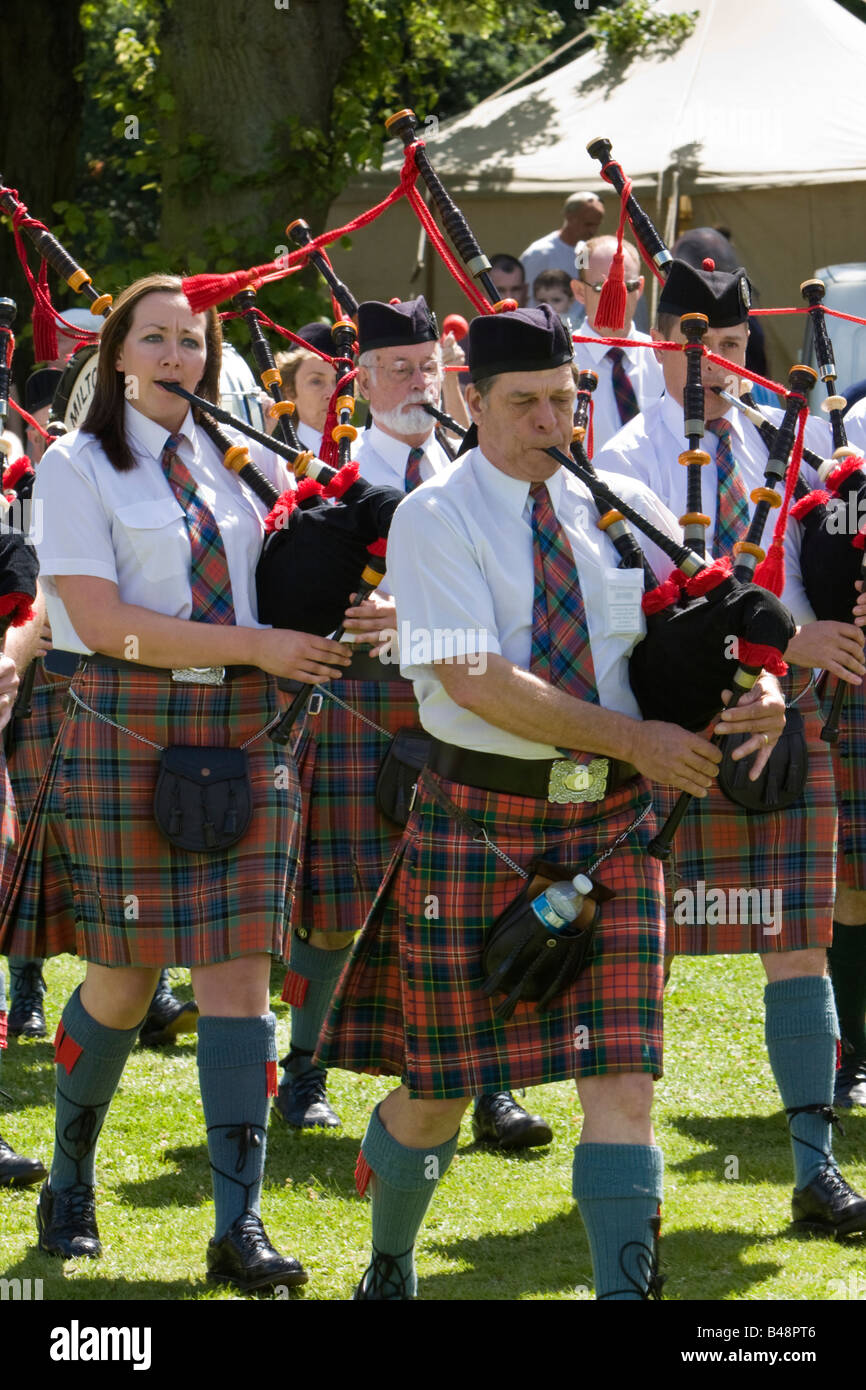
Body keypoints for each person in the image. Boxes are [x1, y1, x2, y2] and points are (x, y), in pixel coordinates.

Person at [316, 303, 785, 1300]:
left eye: (561, 402)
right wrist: (638, 741)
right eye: (521, 403)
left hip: (611, 822)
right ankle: (389, 1267)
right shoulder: (431, 517)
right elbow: (478, 681)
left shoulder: (612, 499)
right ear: (470, 400)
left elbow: (704, 607)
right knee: (437, 1095)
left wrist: (761, 682)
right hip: (480, 816)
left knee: (621, 1079)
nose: (546, 423)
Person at [0, 272, 353, 1291]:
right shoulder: (77, 466)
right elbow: (101, 620)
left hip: (246, 723)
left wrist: (343, 610)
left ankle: (237, 1222)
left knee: (241, 979)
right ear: (115, 355)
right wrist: (260, 641)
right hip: (128, 722)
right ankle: (69, 1174)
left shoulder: (237, 461)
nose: (175, 358)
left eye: (190, 342)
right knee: (123, 982)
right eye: (154, 340)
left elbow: (283, 581)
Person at [596, 258, 866, 1236]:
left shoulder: (774, 437)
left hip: (776, 719)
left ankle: (813, 1168)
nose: (712, 362)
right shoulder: (622, 455)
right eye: (693, 341)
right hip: (670, 722)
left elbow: (800, 569)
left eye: (730, 342)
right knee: (643, 955)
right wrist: (783, 644)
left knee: (796, 941)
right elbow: (678, 588)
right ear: (662, 344)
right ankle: (633, 1169)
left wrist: (830, 621)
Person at [275, 296, 549, 1148]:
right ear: (359, 377)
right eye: (399, 367)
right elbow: (297, 598)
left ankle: (489, 1079)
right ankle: (305, 1068)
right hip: (367, 698)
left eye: (429, 365)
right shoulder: (332, 469)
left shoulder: (478, 467)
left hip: (471, 704)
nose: (417, 382)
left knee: (486, 887)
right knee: (337, 902)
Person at [570, 235, 664, 452]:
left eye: (627, 286)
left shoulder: (663, 357)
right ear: (579, 291)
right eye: (602, 287)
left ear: (640, 287)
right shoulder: (561, 362)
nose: (618, 297)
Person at [521, 193, 604, 307]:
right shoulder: (540, 253)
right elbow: (528, 299)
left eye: (596, 225)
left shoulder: (584, 250)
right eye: (588, 224)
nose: (593, 231)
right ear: (569, 217)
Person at [270, 323, 338, 456]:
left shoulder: (368, 452)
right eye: (316, 381)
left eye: (338, 381)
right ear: (290, 391)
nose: (331, 394)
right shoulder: (277, 459)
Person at [531, 269, 582, 335]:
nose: (548, 306)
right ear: (535, 299)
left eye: (556, 300)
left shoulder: (576, 325)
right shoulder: (532, 323)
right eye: (542, 301)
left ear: (571, 300)